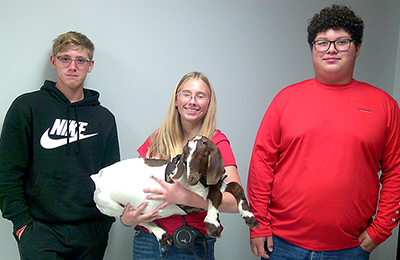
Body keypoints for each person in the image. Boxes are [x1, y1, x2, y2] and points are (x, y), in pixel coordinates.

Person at [247, 5, 400, 260]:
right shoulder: (285, 100)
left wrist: (380, 230)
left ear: (357, 47)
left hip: (349, 249)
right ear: (312, 49)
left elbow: (396, 172)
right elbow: (261, 164)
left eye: (341, 42)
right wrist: (258, 225)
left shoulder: (385, 106)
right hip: (282, 245)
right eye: (322, 42)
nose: (330, 49)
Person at [0, 31, 120, 259]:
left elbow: (111, 177)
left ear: (90, 65)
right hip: (40, 231)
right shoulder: (27, 107)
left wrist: (104, 224)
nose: (72, 66)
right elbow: (7, 172)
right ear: (54, 62)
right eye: (65, 58)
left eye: (80, 60)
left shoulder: (103, 118)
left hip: (90, 233)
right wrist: (22, 224)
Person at [120, 71, 242, 259]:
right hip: (147, 242)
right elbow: (132, 189)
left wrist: (188, 198)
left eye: (200, 96)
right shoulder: (156, 140)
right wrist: (127, 218)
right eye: (186, 94)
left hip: (190, 245)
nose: (192, 101)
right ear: (176, 100)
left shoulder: (216, 142)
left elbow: (235, 203)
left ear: (208, 104)